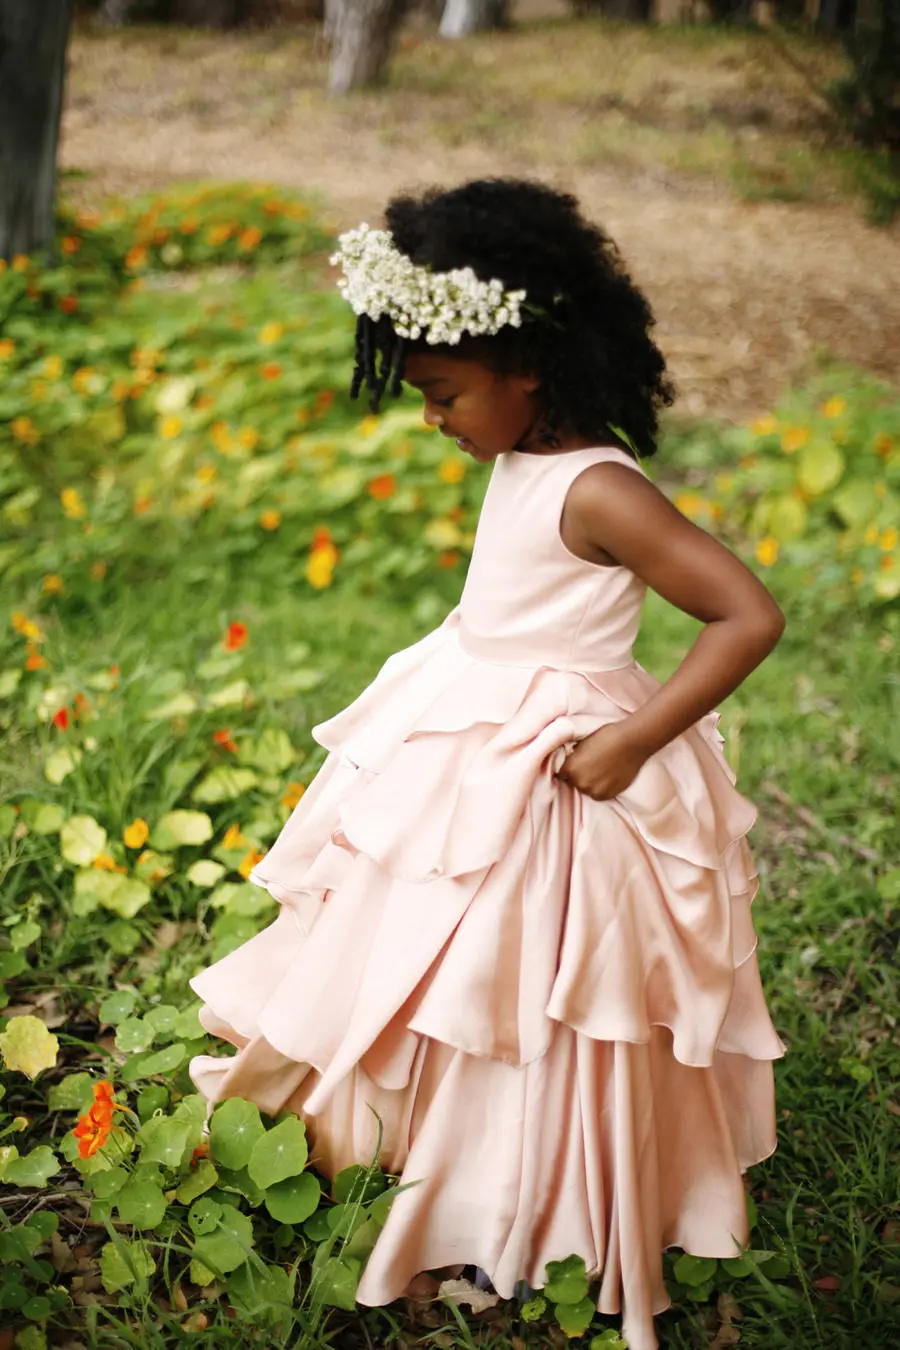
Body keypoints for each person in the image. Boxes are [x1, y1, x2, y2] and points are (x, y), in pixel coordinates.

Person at [189, 178, 787, 1350]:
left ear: (528, 366)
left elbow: (746, 615)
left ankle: (534, 1189)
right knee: (443, 952)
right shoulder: (528, 457)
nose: (433, 418)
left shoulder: (601, 488)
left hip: (559, 770)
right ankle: (428, 1141)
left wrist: (630, 739)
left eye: (444, 393)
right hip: (481, 732)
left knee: (541, 988)